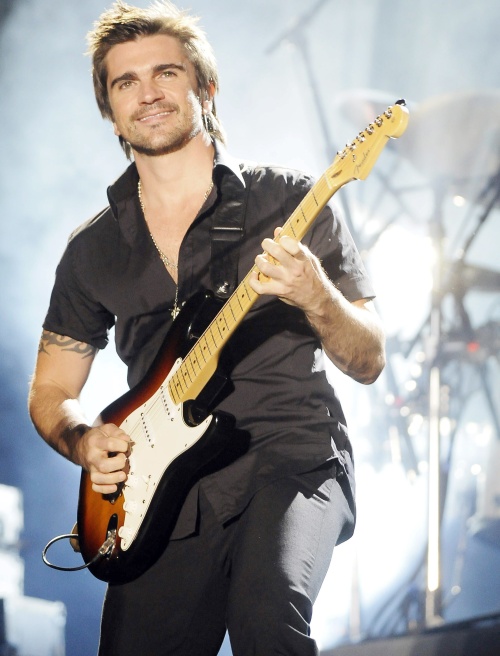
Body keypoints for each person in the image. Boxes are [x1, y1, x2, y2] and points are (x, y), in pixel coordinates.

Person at [28, 1, 386, 654]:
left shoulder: (290, 201)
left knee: (267, 622)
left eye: (165, 73)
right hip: (161, 492)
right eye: (125, 82)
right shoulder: (93, 250)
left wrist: (318, 296)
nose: (147, 93)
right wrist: (84, 443)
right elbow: (51, 392)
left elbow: (370, 358)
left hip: (290, 459)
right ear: (109, 109)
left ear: (206, 87)